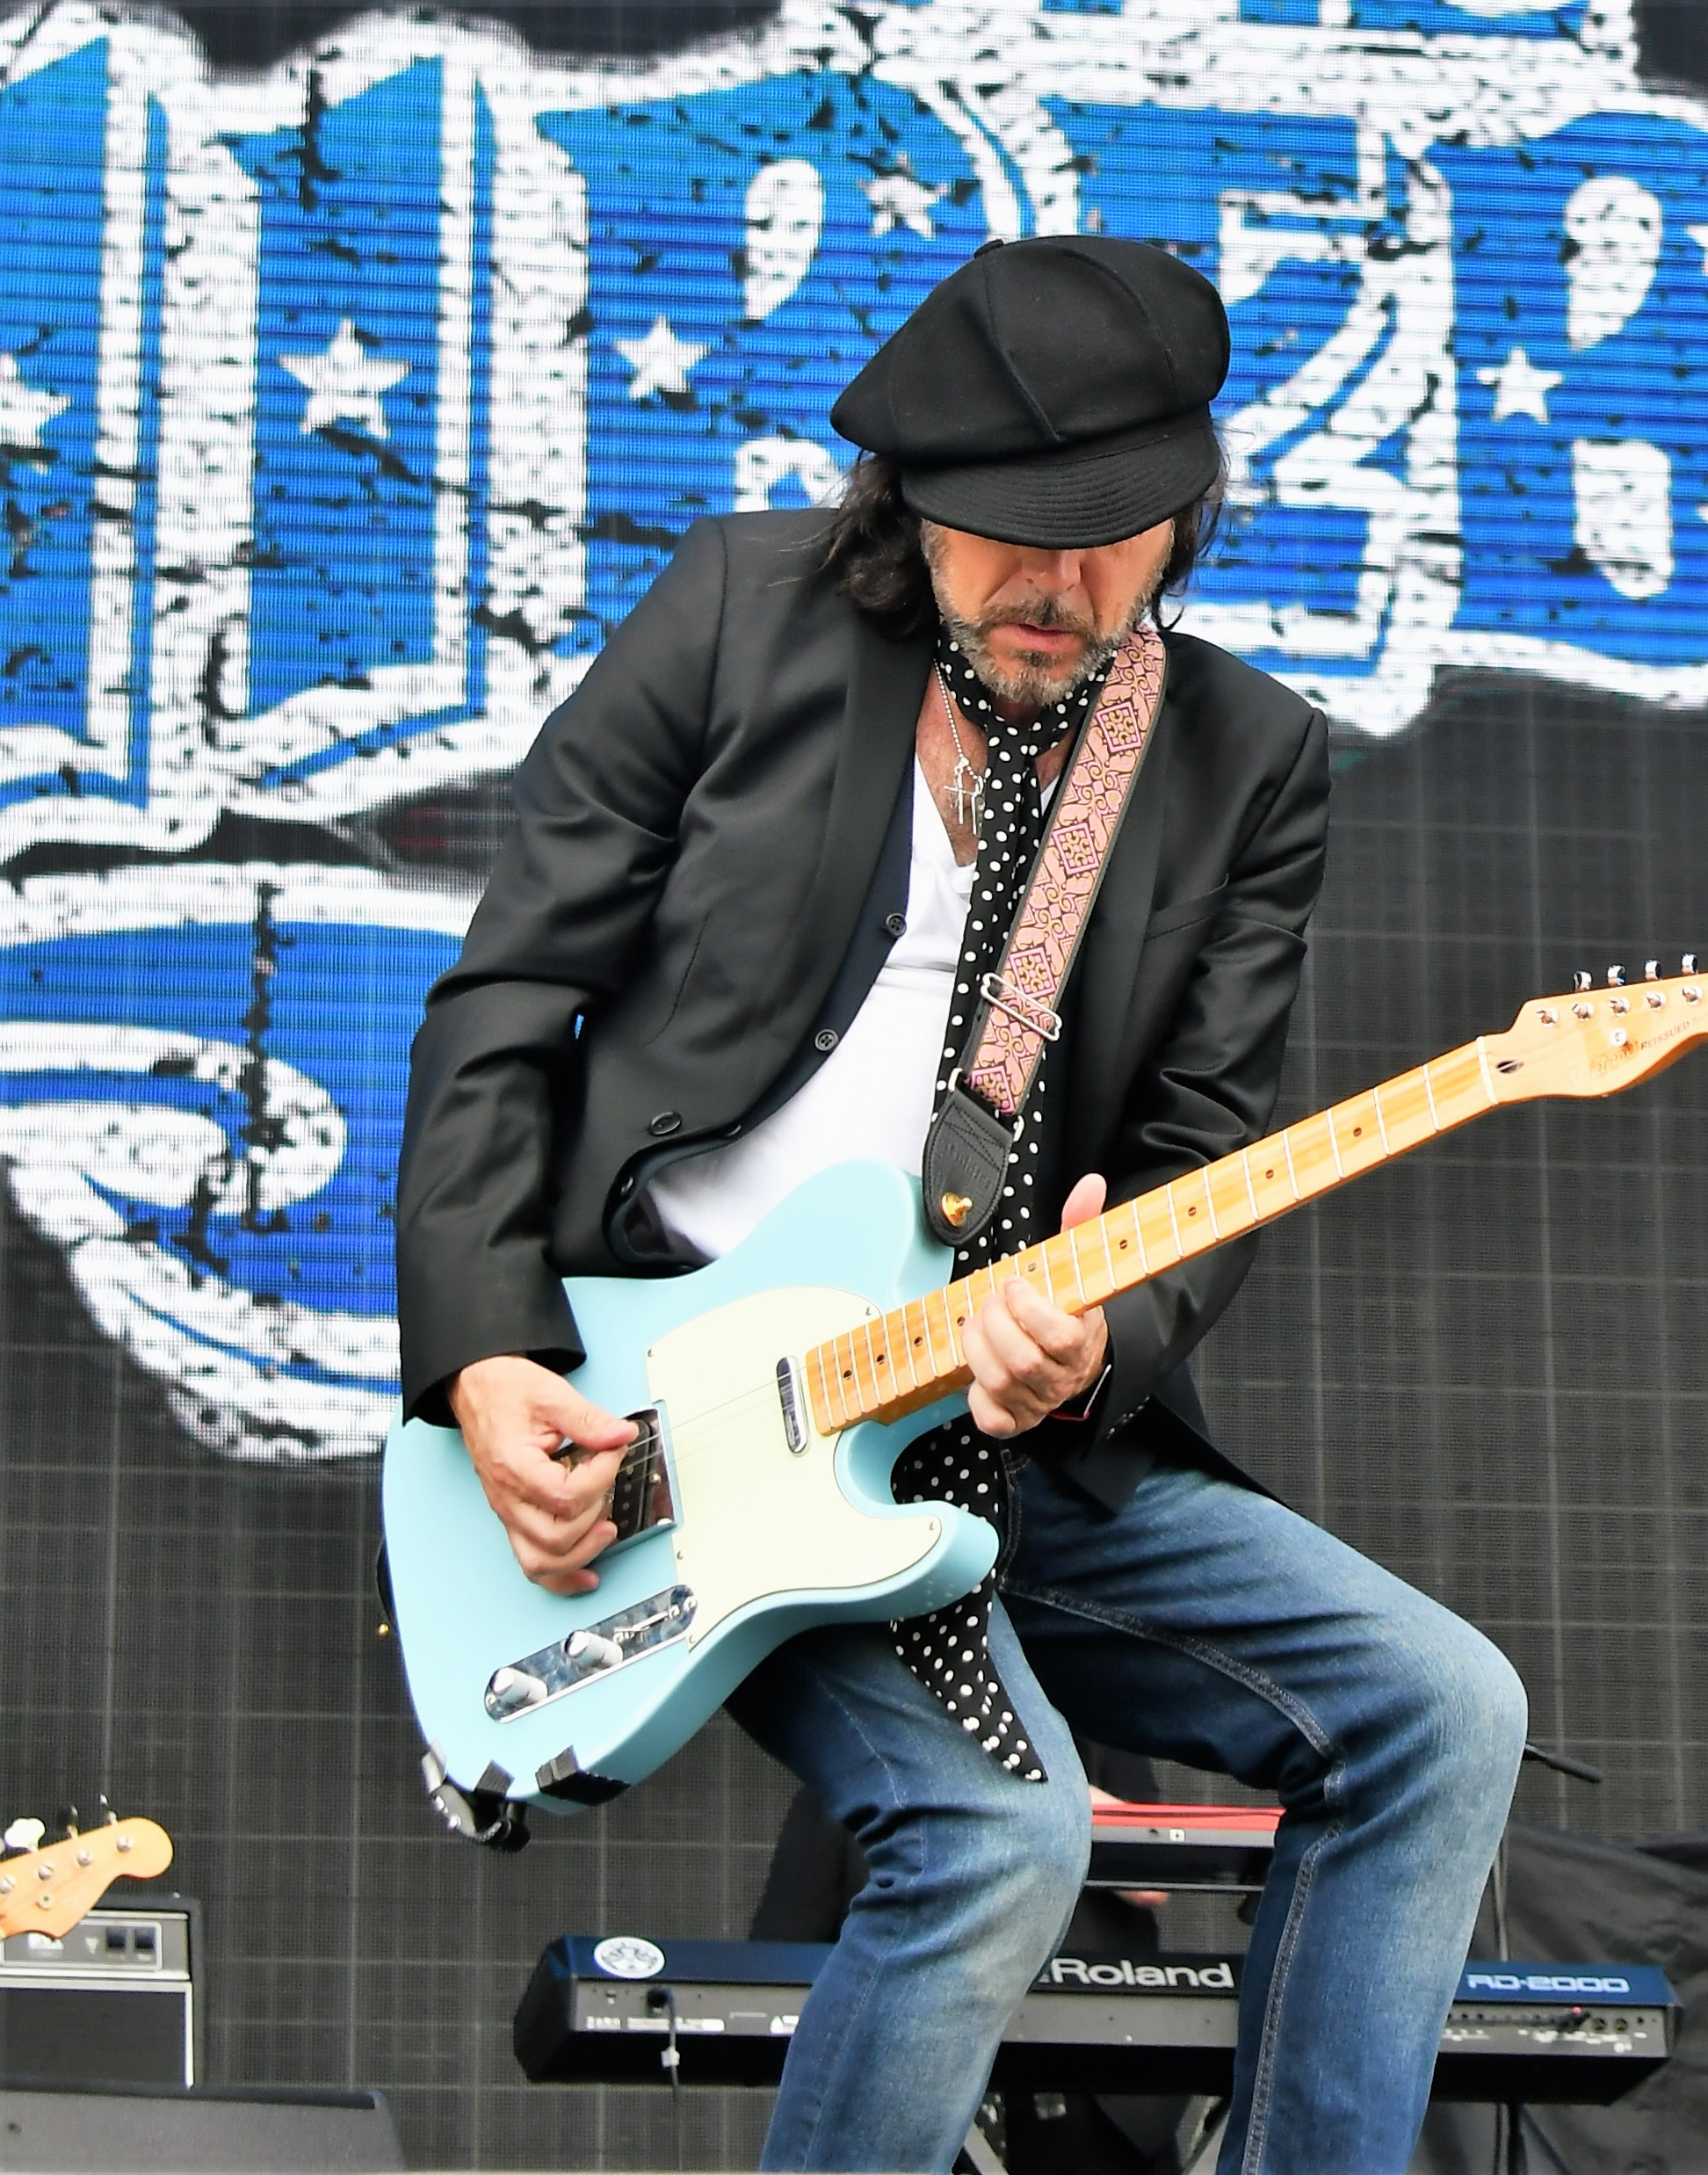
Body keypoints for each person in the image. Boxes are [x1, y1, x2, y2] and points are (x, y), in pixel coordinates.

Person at [393, 235, 1526, 2175]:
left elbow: (1198, 1149)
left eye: (1111, 539)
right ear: (910, 497)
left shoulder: (1243, 758)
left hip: (993, 1431)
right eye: (1012, 535)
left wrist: (1097, 1338)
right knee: (1001, 1830)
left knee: (1445, 1708)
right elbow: (509, 995)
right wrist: (487, 1356)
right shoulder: (734, 614)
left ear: (1185, 517)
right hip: (671, 1416)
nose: (1057, 588)